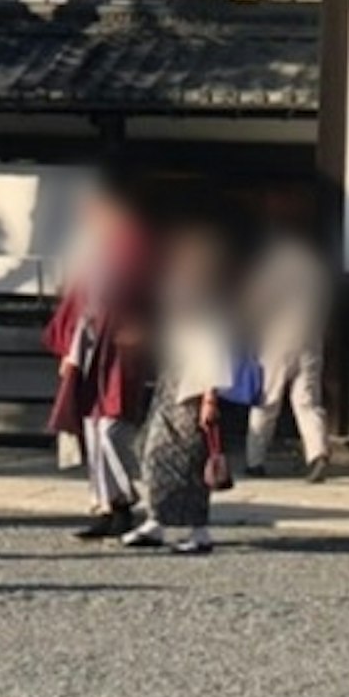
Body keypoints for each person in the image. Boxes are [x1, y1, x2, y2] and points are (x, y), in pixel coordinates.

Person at [47, 180, 152, 542]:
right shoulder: (94, 250)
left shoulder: (136, 246)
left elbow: (149, 297)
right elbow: (75, 305)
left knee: (111, 427)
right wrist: (69, 351)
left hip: (119, 345)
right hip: (89, 345)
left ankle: (128, 498)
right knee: (91, 428)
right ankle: (107, 506)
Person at [129, 227, 237, 554]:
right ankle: (157, 520)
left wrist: (210, 396)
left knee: (191, 462)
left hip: (195, 388)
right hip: (171, 383)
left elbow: (213, 349)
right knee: (153, 452)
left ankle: (199, 530)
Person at [239, 222, 337, 480]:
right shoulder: (316, 267)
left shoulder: (273, 264)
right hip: (310, 336)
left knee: (266, 401)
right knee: (307, 400)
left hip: (277, 337)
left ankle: (255, 460)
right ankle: (318, 452)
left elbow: (256, 301)